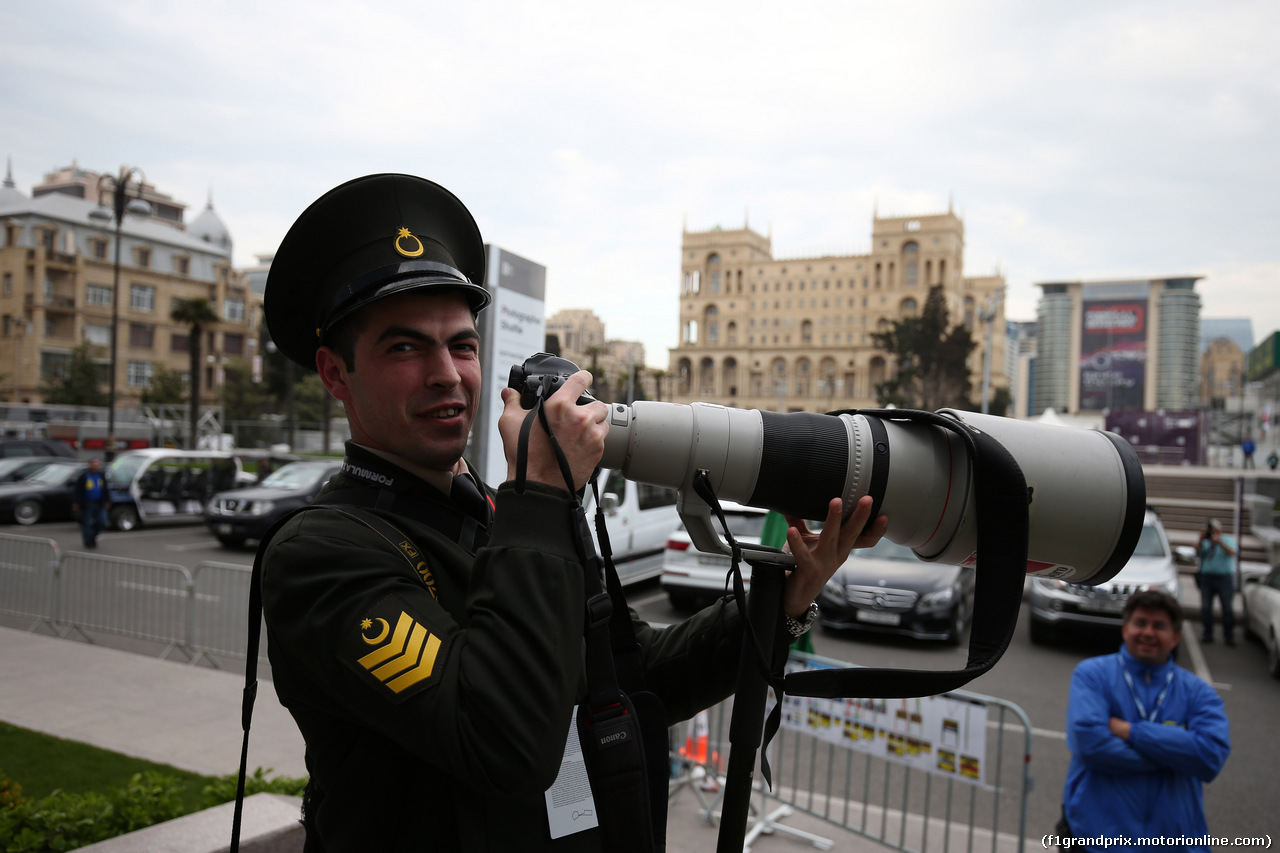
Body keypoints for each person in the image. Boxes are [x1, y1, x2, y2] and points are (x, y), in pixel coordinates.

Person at [258, 174, 888, 851]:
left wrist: (784, 594)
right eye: (404, 347)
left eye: (462, 345)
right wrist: (540, 498)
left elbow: (637, 676)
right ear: (333, 372)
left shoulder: (500, 516)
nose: (447, 373)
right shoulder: (323, 553)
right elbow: (502, 742)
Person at [1060, 590, 1230, 851]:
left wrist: (1131, 732)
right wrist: (1173, 755)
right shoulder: (1092, 675)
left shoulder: (1199, 692)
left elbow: (1210, 756)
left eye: (1159, 626)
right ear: (1125, 629)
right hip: (1095, 836)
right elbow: (1089, 743)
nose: (1148, 632)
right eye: (1140, 623)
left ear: (1175, 637)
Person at [1197, 519, 1237, 646]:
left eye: (1215, 530)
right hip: (1207, 578)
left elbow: (1232, 552)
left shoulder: (1227, 539)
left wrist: (1219, 542)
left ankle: (1228, 635)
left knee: (1227, 608)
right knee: (1206, 607)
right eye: (1211, 531)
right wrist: (1201, 540)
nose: (1213, 533)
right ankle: (1207, 633)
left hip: (1224, 578)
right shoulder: (1206, 542)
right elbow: (1197, 553)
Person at [71, 457, 109, 548]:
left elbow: (105, 490)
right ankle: (88, 541)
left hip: (99, 503)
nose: (94, 467)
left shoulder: (101, 476)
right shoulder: (84, 477)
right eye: (93, 465)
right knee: (87, 524)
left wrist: (107, 501)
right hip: (87, 504)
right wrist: (76, 503)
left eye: (96, 465)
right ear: (89, 465)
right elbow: (78, 490)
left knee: (102, 522)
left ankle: (93, 537)